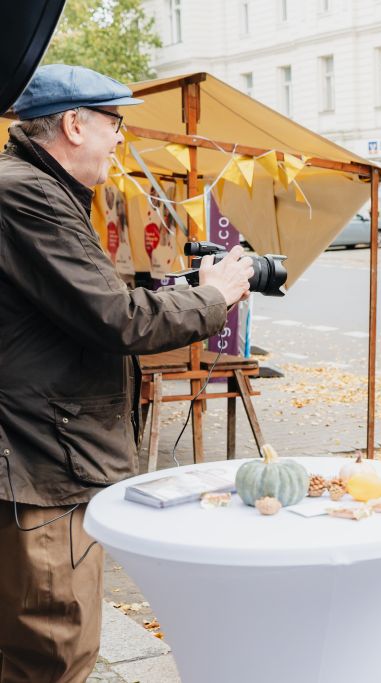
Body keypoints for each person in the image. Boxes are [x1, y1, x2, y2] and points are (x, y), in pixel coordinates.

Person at [0, 64, 254, 683]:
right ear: (74, 124)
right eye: (115, 123)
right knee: (52, 651)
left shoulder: (37, 189)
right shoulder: (24, 192)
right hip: (40, 465)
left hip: (43, 457)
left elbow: (80, 309)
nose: (120, 139)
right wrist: (213, 296)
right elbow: (115, 319)